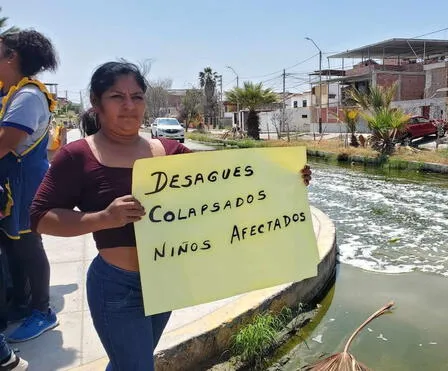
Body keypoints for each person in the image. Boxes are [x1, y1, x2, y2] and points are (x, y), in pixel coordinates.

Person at [30, 61, 312, 370]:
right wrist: (104, 218)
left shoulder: (169, 152)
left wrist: (286, 179)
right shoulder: (79, 155)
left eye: (137, 97)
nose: (129, 105)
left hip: (164, 281)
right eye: (116, 97)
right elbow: (41, 217)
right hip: (116, 287)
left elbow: (228, 188)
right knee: (136, 366)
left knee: (130, 363)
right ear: (96, 103)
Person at [0, 29, 58, 343]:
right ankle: (21, 305)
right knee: (13, 246)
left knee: (27, 246)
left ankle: (43, 311)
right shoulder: (10, 92)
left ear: (12, 57)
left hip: (23, 184)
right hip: (12, 183)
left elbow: (5, 143)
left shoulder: (27, 97)